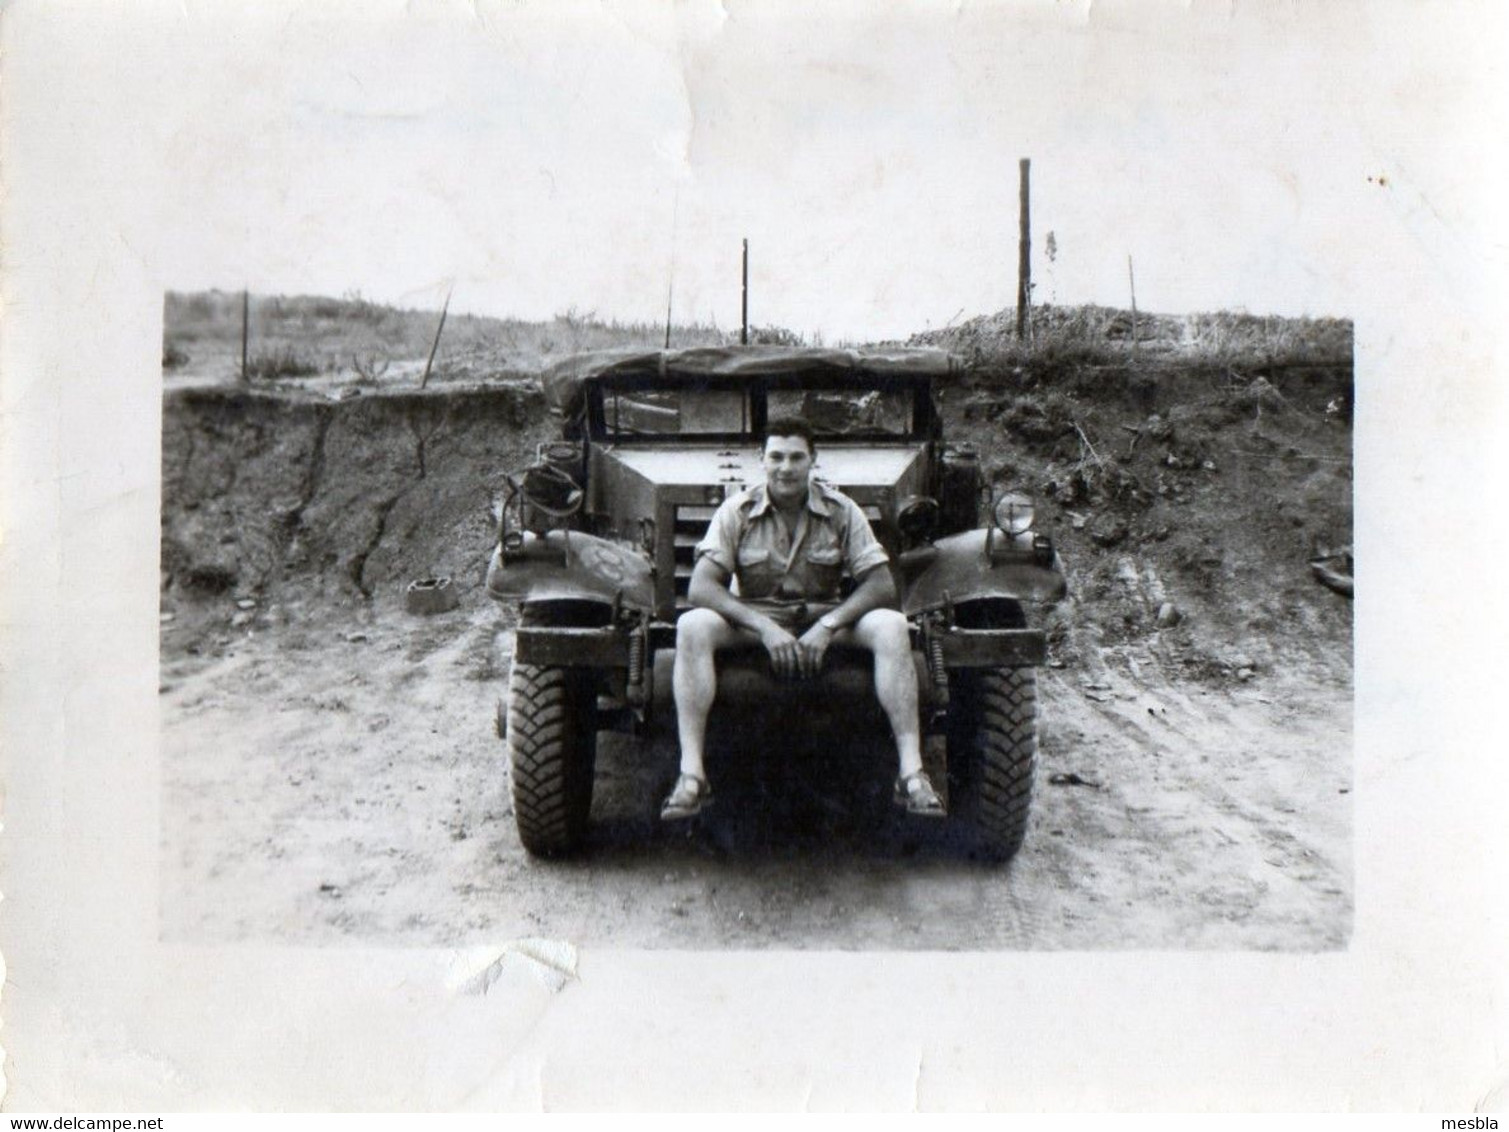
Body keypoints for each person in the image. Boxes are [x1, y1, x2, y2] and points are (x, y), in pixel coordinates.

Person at [661, 416, 945, 820]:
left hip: (824, 614)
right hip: (757, 617)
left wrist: (828, 627)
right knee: (692, 626)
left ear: (813, 461)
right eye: (776, 457)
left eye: (796, 457)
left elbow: (882, 584)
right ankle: (692, 776)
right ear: (761, 461)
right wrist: (764, 629)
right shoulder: (737, 511)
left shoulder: (841, 510)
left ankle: (911, 773)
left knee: (892, 626)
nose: (786, 467)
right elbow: (702, 588)